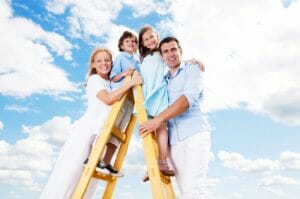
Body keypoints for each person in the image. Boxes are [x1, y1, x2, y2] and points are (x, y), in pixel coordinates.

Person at [41, 47, 142, 199]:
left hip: (101, 134)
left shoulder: (111, 82)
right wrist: (129, 84)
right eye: (99, 60)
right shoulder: (94, 80)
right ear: (93, 64)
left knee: (90, 180)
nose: (104, 63)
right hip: (87, 134)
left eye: (107, 60)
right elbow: (108, 99)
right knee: (70, 176)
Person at [139, 37, 211, 199]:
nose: (170, 54)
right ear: (162, 56)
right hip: (174, 144)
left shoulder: (192, 69)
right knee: (184, 191)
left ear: (180, 51)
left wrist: (157, 120)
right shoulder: (163, 81)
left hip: (195, 135)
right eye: (165, 51)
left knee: (193, 189)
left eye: (173, 49)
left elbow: (186, 101)